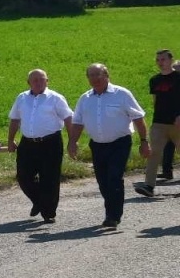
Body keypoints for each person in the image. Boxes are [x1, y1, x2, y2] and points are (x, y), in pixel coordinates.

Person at [69, 63, 150, 230]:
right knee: (103, 182)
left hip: (119, 143)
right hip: (97, 145)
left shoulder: (122, 94)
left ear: (106, 75)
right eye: (91, 75)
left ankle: (113, 216)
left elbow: (138, 119)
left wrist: (144, 141)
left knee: (114, 177)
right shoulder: (85, 99)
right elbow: (77, 122)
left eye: (98, 74)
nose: (95, 79)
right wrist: (72, 142)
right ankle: (111, 210)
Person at [5, 69, 73, 224]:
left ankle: (48, 213)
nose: (38, 82)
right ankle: (39, 201)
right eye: (34, 79)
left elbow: (68, 118)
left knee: (50, 178)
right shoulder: (22, 98)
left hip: (51, 143)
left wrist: (72, 140)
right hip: (27, 143)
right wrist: (10, 140)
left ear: (47, 81)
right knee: (23, 176)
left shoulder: (55, 98)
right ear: (28, 82)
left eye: (42, 79)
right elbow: (14, 120)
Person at [139, 48, 179, 194]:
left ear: (171, 60)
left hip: (177, 123)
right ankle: (149, 186)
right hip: (159, 123)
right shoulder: (154, 80)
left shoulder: (178, 77)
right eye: (158, 60)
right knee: (154, 153)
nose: (160, 63)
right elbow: (155, 101)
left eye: (163, 59)